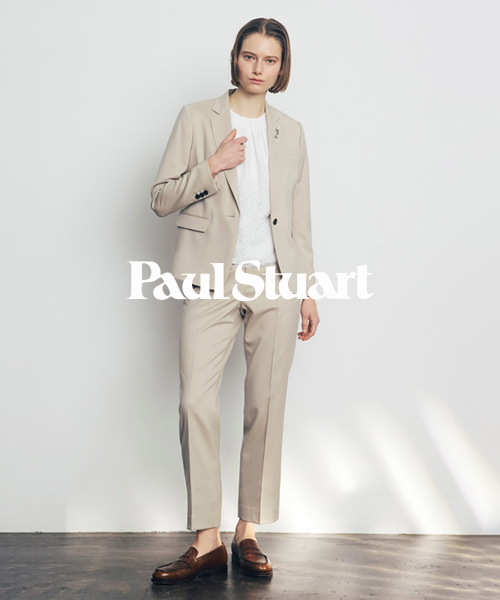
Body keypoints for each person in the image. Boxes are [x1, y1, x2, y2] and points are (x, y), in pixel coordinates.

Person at [149, 17, 320, 584]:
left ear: (282, 67)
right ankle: (207, 540)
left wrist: (306, 290)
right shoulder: (197, 117)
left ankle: (247, 532)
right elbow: (160, 198)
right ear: (235, 57)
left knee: (264, 405)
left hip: (276, 280)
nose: (258, 68)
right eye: (250, 56)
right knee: (195, 402)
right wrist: (212, 166)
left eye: (270, 60)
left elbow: (299, 219)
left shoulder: (291, 131)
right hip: (211, 278)